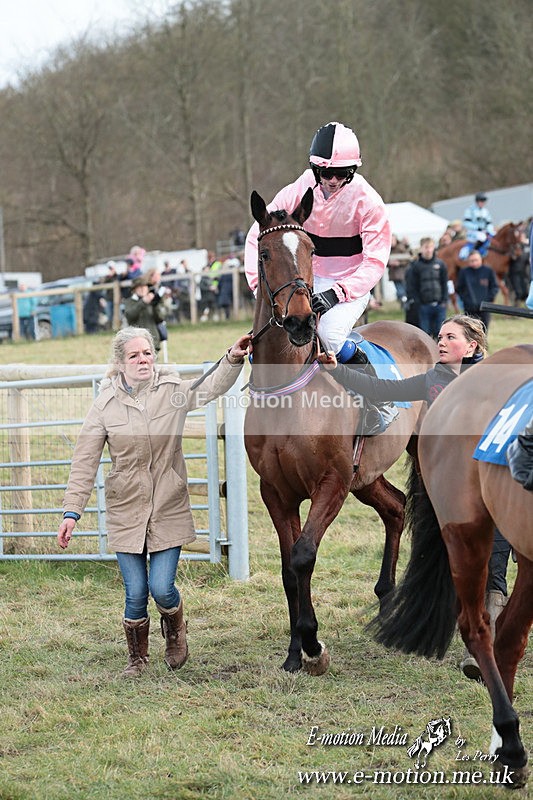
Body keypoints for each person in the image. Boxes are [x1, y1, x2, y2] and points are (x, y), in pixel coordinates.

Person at [317, 313, 512, 679]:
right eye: (440, 336)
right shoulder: (434, 379)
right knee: (465, 564)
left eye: (450, 337)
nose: (440, 342)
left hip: (495, 482)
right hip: (454, 489)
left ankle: (485, 645)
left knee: (495, 566)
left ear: (471, 346)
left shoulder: (492, 379)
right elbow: (382, 391)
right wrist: (336, 371)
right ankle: (477, 636)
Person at [58, 326, 251, 677]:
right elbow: (84, 461)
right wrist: (72, 511)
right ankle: (137, 659)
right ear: (120, 363)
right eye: (134, 355)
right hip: (126, 508)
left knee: (161, 588)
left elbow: (209, 387)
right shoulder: (104, 406)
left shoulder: (172, 391)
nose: (142, 360)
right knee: (135, 592)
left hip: (167, 504)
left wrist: (232, 359)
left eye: (147, 353)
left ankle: (175, 629)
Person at [244, 120, 394, 430]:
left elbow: (375, 261)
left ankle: (378, 400)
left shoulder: (368, 201)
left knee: (330, 335)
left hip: (350, 283)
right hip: (304, 281)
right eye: (327, 173)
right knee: (268, 337)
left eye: (343, 173)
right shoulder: (298, 188)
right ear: (315, 169)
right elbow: (257, 233)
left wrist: (337, 293)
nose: (333, 180)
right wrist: (260, 288)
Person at [405, 237, 448, 339]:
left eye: (430, 247)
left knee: (440, 333)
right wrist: (418, 303)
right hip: (423, 306)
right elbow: (412, 286)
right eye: (426, 247)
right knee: (425, 335)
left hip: (439, 305)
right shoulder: (415, 266)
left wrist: (444, 301)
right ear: (421, 248)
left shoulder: (440, 264)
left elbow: (444, 283)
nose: (428, 250)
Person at [455, 250, 498, 329]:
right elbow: (459, 289)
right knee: (470, 330)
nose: (474, 263)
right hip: (469, 308)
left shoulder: (488, 271)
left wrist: (488, 300)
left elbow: (494, 287)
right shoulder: (464, 272)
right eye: (472, 261)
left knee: (484, 330)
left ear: (481, 259)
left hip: (485, 308)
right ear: (468, 261)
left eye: (476, 260)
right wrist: (466, 300)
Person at [123, 274, 168, 351]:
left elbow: (160, 318)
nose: (143, 289)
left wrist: (155, 304)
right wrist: (143, 302)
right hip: (136, 342)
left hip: (153, 341)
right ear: (134, 289)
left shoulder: (153, 301)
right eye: (140, 287)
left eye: (145, 286)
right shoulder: (129, 302)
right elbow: (130, 316)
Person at [462, 192, 495, 258]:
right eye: (481, 201)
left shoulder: (485, 211)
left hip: (484, 231)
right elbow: (466, 223)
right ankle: (475, 252)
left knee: (494, 235)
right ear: (477, 201)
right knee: (482, 237)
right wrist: (477, 228)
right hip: (473, 231)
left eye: (484, 201)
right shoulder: (470, 210)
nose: (483, 203)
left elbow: (489, 223)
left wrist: (490, 231)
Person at [387, 234, 411, 307]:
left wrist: (399, 263)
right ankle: (404, 304)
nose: (392, 242)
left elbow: (407, 258)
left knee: (403, 291)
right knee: (400, 291)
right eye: (390, 240)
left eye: (393, 240)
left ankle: (406, 305)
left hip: (402, 274)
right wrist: (389, 263)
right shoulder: (387, 248)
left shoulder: (401, 247)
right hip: (394, 275)